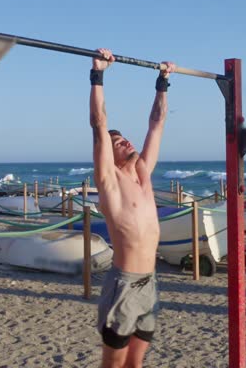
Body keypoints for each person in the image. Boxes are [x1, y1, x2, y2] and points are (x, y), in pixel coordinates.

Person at [89, 48, 176, 368]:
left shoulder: (143, 174)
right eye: (117, 143)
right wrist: (97, 75)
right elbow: (98, 124)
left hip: (149, 282)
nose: (125, 142)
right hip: (123, 285)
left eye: (124, 138)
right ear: (107, 156)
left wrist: (163, 82)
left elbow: (157, 124)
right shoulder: (109, 181)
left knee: (135, 364)